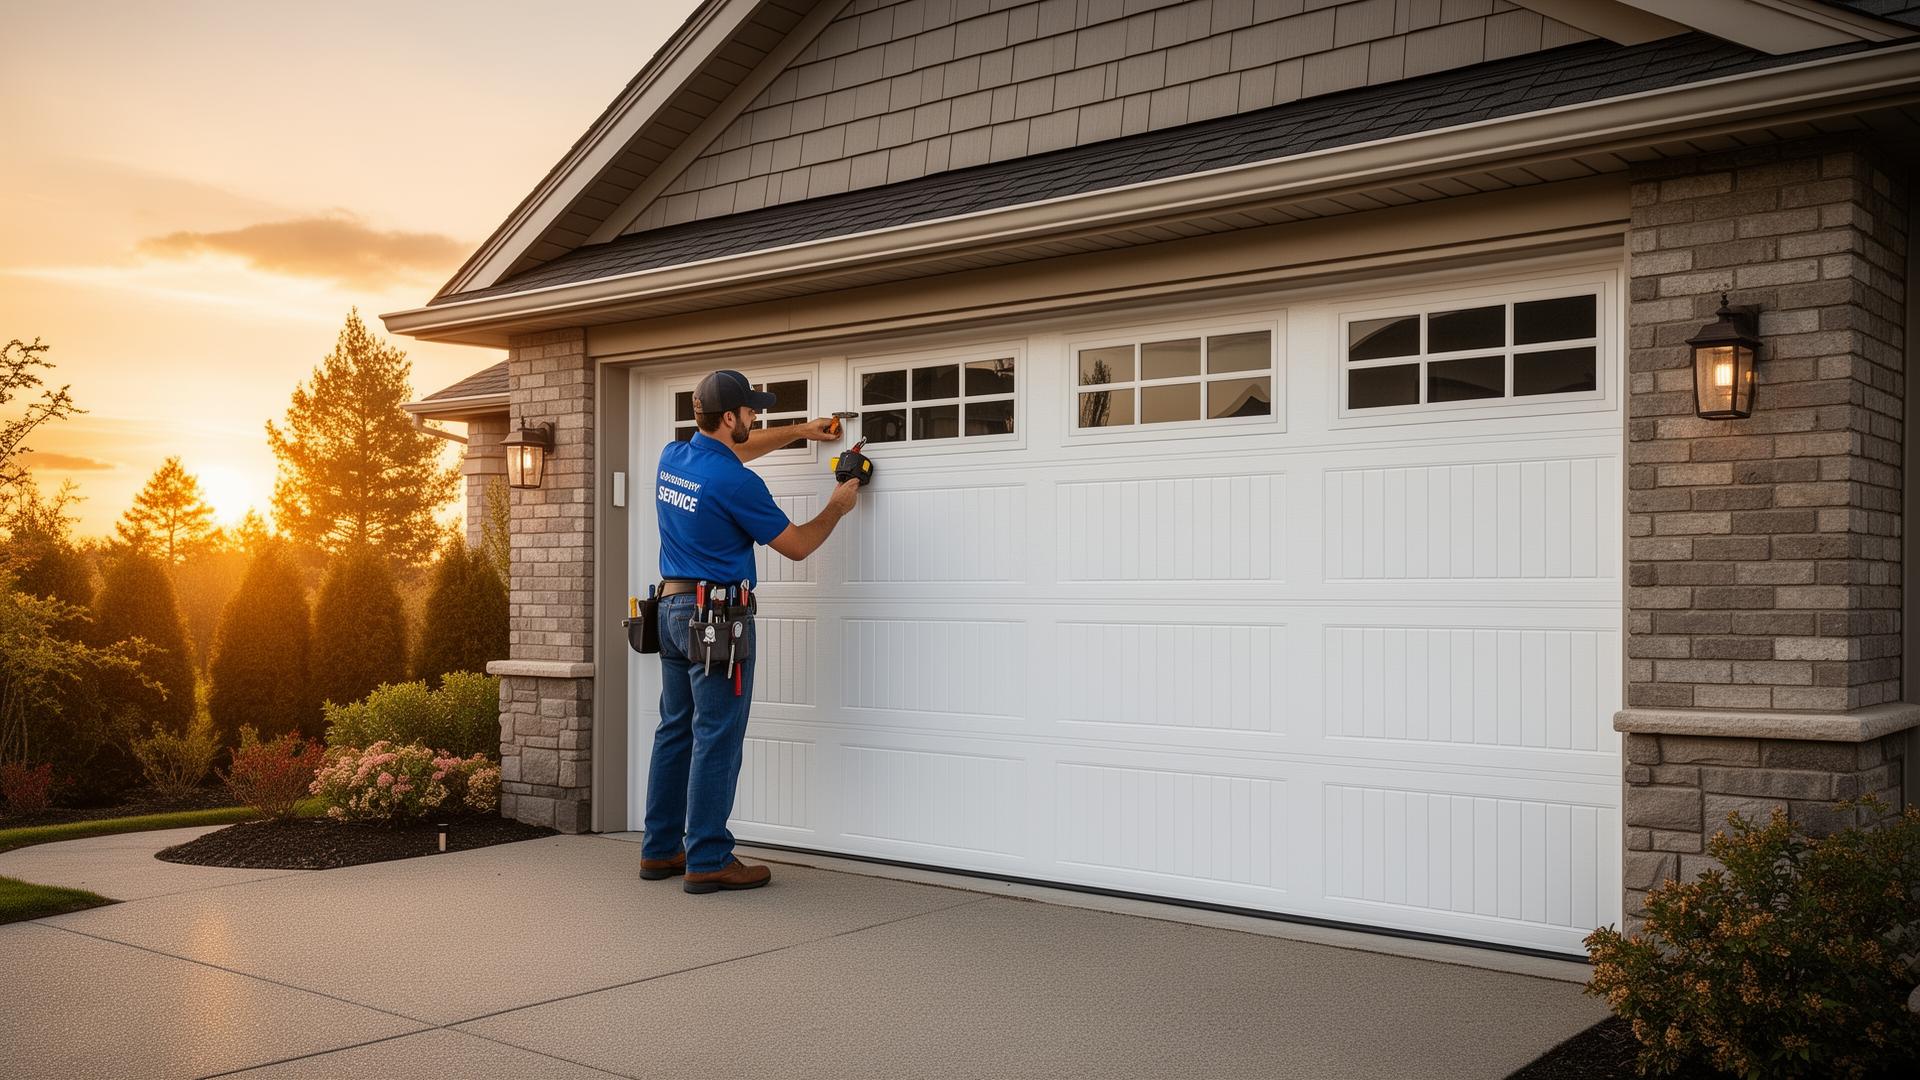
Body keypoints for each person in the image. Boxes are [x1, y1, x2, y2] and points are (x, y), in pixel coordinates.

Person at [640, 369, 860, 893]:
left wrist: (801, 432)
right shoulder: (738, 484)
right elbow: (797, 545)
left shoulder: (673, 457)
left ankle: (661, 849)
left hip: (671, 609)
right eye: (750, 412)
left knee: (675, 730)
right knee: (717, 736)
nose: (755, 419)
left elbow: (733, 451)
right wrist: (836, 507)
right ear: (729, 417)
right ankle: (709, 858)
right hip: (717, 620)